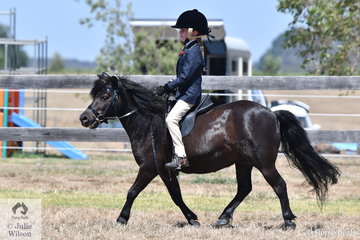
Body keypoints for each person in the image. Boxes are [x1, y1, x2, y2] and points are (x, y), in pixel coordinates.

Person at [156, 9, 211, 171]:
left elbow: (185, 77)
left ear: (193, 32)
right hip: (184, 93)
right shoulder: (189, 48)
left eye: (183, 29)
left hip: (189, 96)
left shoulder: (193, 51)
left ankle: (181, 157)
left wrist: (167, 86)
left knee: (170, 120)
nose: (180, 32)